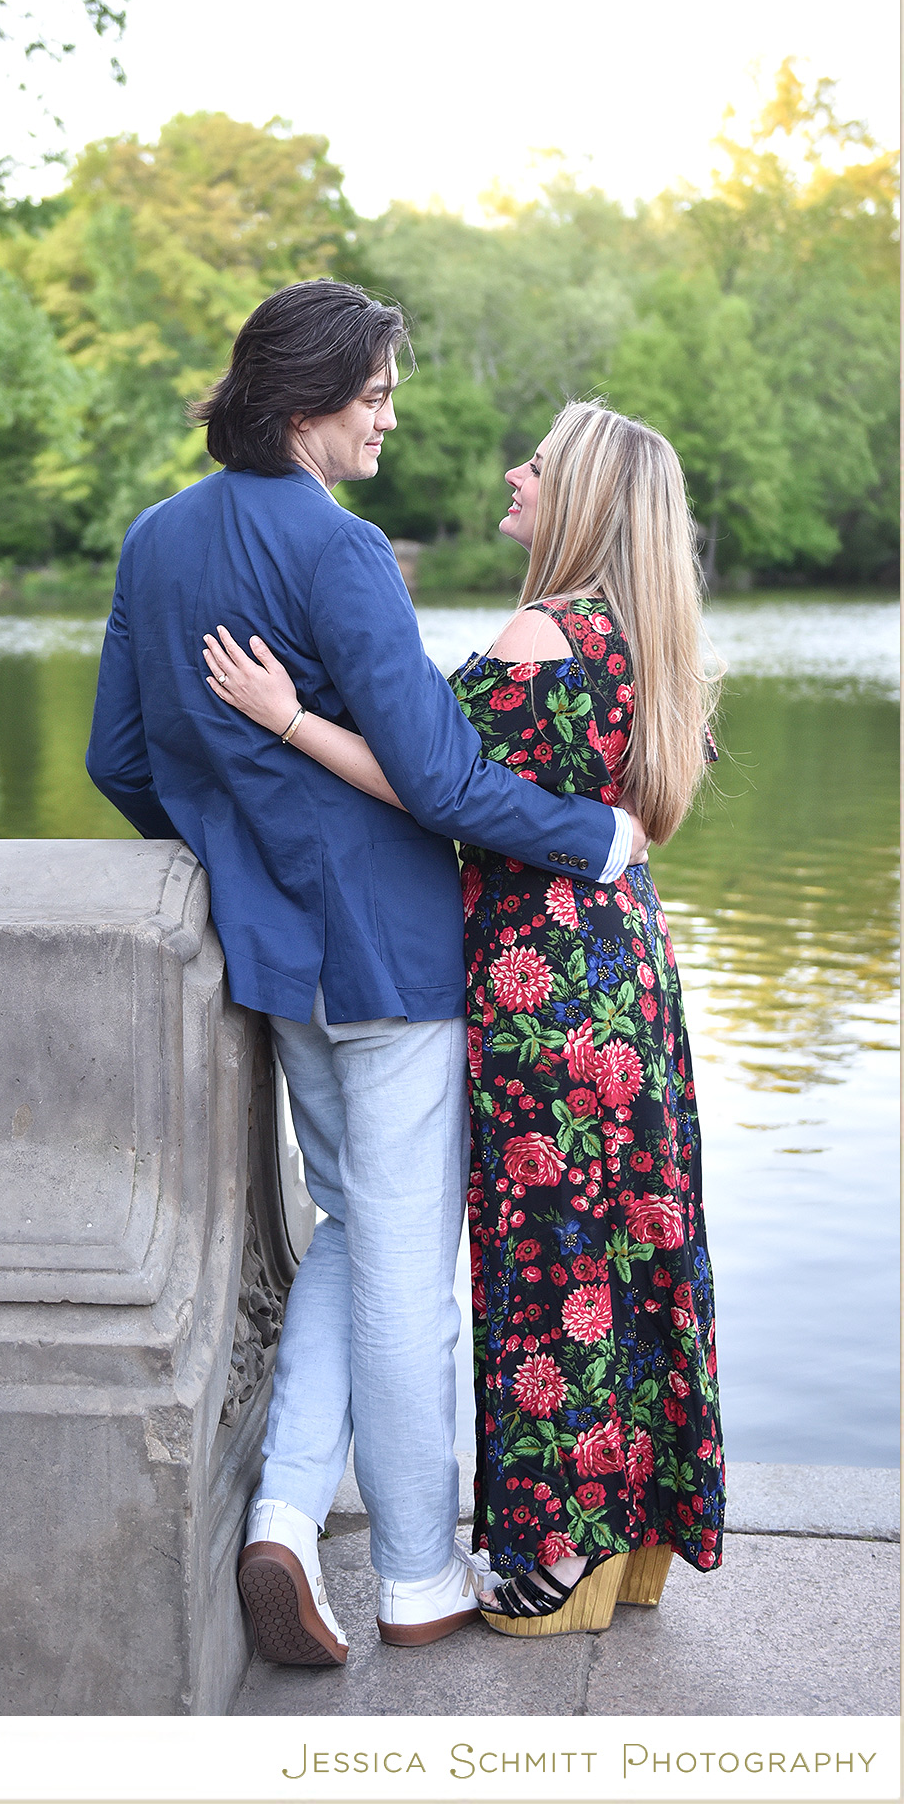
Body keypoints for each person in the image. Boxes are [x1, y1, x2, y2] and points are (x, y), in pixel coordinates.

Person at [86, 279, 648, 1668]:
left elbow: (122, 759)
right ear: (307, 402)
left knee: (351, 1229)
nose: (392, 418)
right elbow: (443, 777)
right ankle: (416, 1572)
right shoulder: (338, 552)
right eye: (378, 394)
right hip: (395, 957)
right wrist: (597, 834)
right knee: (409, 1266)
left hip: (276, 958)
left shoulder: (155, 543)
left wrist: (242, 851)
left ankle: (280, 1512)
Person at [201, 398, 725, 1641]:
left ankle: (549, 1556)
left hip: (541, 982)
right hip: (630, 971)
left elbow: (431, 773)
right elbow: (639, 807)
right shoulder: (656, 635)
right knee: (636, 1241)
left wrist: (284, 718)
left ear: (582, 496)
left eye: (536, 466)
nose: (514, 474)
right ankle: (633, 1534)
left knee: (551, 1260)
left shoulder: (546, 630)